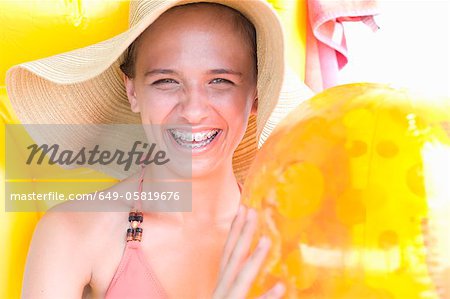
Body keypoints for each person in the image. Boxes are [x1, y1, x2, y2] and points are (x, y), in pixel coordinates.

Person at [6, 0, 311, 298]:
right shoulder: (71, 231)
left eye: (220, 81)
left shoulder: (294, 238)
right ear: (132, 91)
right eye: (166, 81)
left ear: (256, 93)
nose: (193, 110)